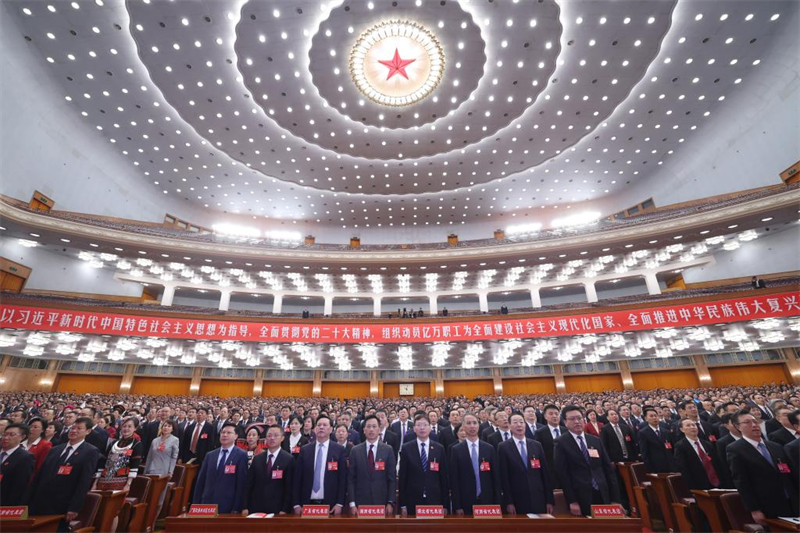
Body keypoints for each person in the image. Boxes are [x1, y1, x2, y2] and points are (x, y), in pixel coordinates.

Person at [26, 417, 100, 533]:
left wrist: (74, 508)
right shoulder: (55, 449)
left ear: (88, 431)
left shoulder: (90, 451)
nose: (74, 431)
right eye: (73, 427)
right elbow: (39, 476)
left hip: (61, 505)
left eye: (79, 428)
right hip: (39, 502)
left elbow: (84, 481)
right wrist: (28, 499)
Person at [727, 410, 800, 525]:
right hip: (768, 504)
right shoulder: (735, 449)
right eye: (748, 422)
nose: (754, 425)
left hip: (792, 501)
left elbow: (791, 474)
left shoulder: (775, 446)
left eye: (755, 421)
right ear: (738, 426)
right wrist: (754, 509)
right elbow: (741, 482)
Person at [554, 405, 621, 516]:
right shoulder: (561, 443)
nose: (577, 422)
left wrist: (616, 499)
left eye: (579, 418)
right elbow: (563, 475)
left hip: (603, 492)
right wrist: (572, 501)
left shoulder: (595, 440)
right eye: (572, 419)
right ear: (565, 422)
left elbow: (608, 469)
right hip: (580, 494)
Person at [497, 413, 552, 515]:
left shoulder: (536, 445)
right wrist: (509, 502)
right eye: (515, 422)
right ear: (509, 426)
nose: (519, 425)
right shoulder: (503, 447)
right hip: (517, 498)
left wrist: (549, 500)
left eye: (521, 422)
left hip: (539, 498)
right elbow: (504, 476)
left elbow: (545, 474)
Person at [292, 415, 347, 515]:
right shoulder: (305, 449)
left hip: (330, 504)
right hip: (306, 503)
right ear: (315, 429)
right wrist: (296, 503)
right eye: (319, 425)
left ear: (331, 429)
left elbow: (342, 479)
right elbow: (297, 478)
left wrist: (339, 503)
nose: (321, 427)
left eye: (325, 425)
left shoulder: (339, 450)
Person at [398, 413, 449, 516]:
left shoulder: (439, 448)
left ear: (430, 428)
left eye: (425, 425)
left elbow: (444, 478)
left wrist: (445, 504)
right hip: (412, 499)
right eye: (418, 425)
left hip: (435, 499)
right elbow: (403, 477)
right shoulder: (406, 448)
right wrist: (403, 504)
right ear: (414, 428)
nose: (422, 428)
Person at [449, 413, 500, 515]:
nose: (472, 426)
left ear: (478, 425)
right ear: (463, 426)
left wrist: (497, 502)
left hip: (487, 500)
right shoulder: (456, 449)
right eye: (468, 423)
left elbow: (496, 477)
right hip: (466, 500)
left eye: (474, 423)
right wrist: (457, 506)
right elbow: (454, 479)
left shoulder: (489, 448)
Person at [347, 415, 396, 517]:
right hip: (360, 502)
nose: (371, 429)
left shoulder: (388, 450)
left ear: (379, 429)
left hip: (382, 501)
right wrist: (352, 503)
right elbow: (351, 479)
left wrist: (390, 502)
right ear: (364, 430)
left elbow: (392, 479)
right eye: (368, 427)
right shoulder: (355, 450)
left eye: (374, 426)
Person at [193, 422, 248, 514]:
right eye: (223, 432)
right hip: (206, 504)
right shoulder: (210, 455)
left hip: (227, 505)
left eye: (229, 433)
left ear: (236, 436)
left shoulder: (241, 455)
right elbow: (201, 481)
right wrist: (196, 504)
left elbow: (241, 484)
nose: (224, 435)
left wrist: (236, 508)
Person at [243, 425, 295, 516]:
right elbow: (248, 484)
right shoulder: (258, 458)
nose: (272, 438)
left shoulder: (288, 459)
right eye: (269, 435)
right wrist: (245, 506)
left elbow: (289, 487)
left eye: (276, 435)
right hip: (256, 507)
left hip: (277, 509)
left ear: (282, 438)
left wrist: (285, 509)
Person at [94, 416, 143, 491]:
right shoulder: (113, 443)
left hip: (121, 481)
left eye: (129, 426)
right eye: (124, 426)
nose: (126, 429)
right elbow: (103, 462)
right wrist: (95, 483)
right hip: (103, 480)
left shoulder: (137, 444)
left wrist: (128, 484)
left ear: (135, 428)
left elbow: (134, 466)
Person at [144, 419, 180, 516]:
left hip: (164, 471)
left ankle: (153, 521)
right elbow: (149, 457)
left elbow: (174, 457)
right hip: (151, 470)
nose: (166, 428)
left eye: (169, 426)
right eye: (164, 425)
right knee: (149, 497)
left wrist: (170, 471)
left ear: (172, 429)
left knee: (159, 498)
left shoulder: (175, 440)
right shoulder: (155, 440)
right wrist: (145, 472)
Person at [673, 419, 720, 490]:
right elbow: (684, 469)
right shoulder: (680, 446)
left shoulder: (707, 444)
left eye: (694, 425)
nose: (692, 427)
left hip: (717, 482)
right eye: (688, 425)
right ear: (682, 429)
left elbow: (716, 463)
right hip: (699, 485)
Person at [0, 423, 35, 505]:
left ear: (22, 437)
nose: (5, 438)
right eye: (4, 434)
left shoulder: (25, 457)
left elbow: (20, 487)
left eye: (12, 435)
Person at [535, 404, 566, 489]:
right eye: (551, 414)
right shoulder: (540, 433)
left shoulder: (566, 430)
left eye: (556, 413)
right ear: (545, 416)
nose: (554, 416)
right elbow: (538, 453)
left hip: (567, 470)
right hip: (550, 471)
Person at [638, 406, 675, 473]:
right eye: (651, 416)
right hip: (656, 467)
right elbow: (644, 453)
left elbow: (672, 449)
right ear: (646, 418)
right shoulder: (643, 433)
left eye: (655, 415)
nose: (654, 418)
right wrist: (650, 470)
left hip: (671, 465)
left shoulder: (666, 431)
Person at [715, 413, 741, 489]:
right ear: (726, 426)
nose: (737, 425)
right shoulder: (722, 443)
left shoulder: (751, 435)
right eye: (733, 423)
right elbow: (725, 465)